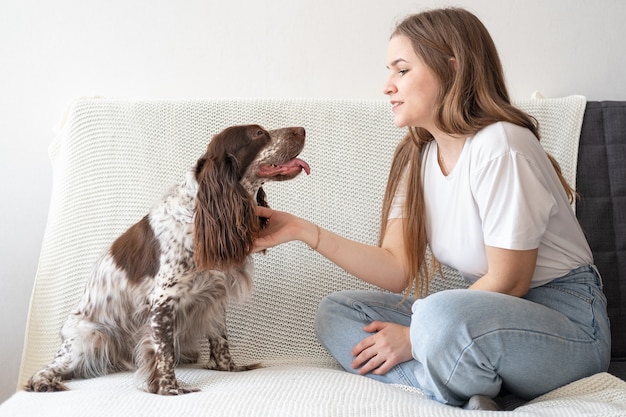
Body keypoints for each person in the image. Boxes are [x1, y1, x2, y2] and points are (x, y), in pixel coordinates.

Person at [253, 7, 611, 411]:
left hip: (567, 325)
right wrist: (302, 230)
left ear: (451, 70)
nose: (387, 86)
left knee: (437, 315)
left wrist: (411, 338)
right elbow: (396, 268)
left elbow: (511, 281)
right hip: (476, 317)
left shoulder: (502, 146)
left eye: (401, 70)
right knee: (336, 313)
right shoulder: (418, 155)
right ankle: (460, 383)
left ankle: (449, 377)